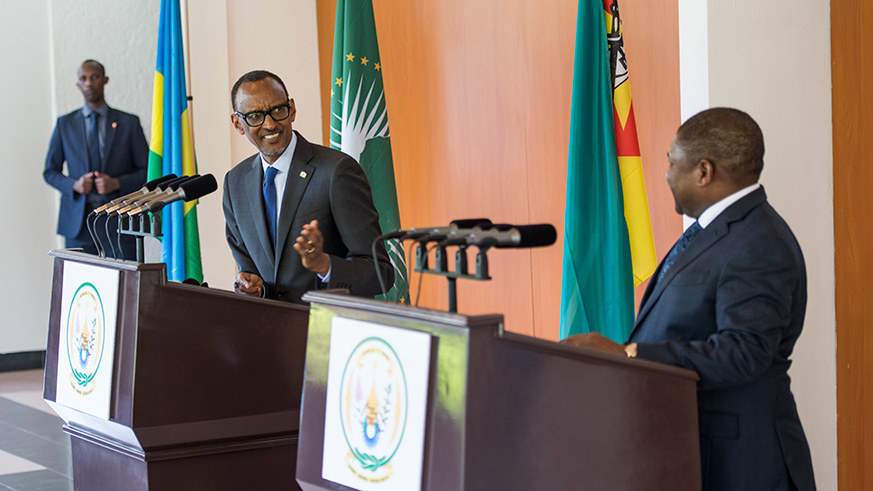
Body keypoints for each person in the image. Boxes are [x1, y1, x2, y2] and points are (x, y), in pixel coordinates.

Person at [562, 108, 816, 490]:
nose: (665, 173)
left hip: (742, 463)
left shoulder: (760, 242)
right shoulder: (714, 232)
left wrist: (631, 355)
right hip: (691, 447)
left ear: (703, 171)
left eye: (671, 161)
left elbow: (744, 352)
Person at [223, 70, 392, 304]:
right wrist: (253, 287)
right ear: (238, 123)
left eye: (278, 110)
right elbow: (252, 274)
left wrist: (324, 265)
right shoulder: (235, 184)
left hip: (329, 332)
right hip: (270, 333)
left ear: (291, 109)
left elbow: (380, 273)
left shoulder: (336, 171)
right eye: (255, 116)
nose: (270, 124)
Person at [43, 59, 149, 259]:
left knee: (123, 284)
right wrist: (74, 184)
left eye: (94, 77)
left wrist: (116, 183)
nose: (89, 83)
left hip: (119, 222)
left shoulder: (128, 123)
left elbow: (147, 171)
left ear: (105, 80)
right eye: (83, 78)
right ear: (78, 84)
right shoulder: (65, 124)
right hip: (78, 224)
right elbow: (50, 172)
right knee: (81, 286)